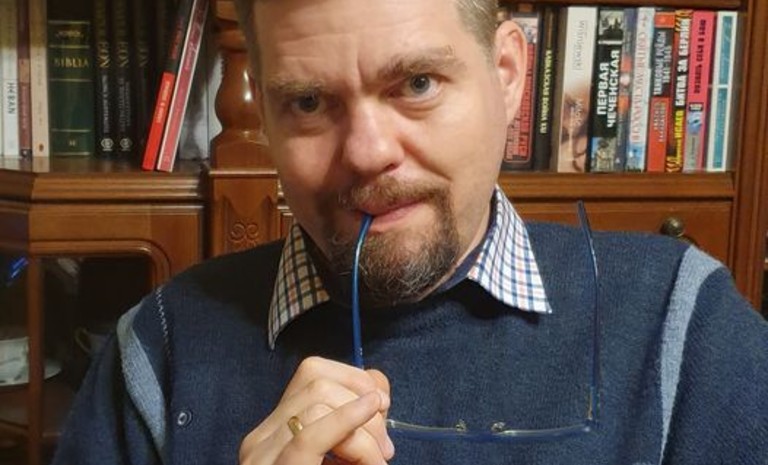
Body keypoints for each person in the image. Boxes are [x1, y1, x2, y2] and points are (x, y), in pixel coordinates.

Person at [53, 0, 768, 464]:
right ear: (265, 121)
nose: (367, 153)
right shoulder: (158, 350)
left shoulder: (685, 331)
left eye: (417, 83)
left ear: (507, 75)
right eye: (309, 102)